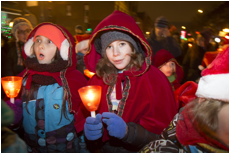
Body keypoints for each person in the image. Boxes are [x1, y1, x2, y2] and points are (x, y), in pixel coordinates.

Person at [74, 10, 177, 153]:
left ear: (133, 46)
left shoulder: (154, 79)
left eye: (122, 44)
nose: (115, 53)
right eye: (109, 47)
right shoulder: (98, 80)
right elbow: (85, 117)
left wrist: (129, 132)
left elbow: (163, 135)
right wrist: (90, 134)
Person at [5, 22, 88, 153]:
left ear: (62, 49)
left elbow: (85, 121)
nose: (41, 45)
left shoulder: (73, 80)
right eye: (38, 40)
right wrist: (13, 120)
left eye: (49, 41)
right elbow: (12, 122)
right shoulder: (23, 80)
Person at [139, 46, 229, 153]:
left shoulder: (178, 85)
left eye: (172, 64)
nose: (169, 68)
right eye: (165, 65)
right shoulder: (153, 85)